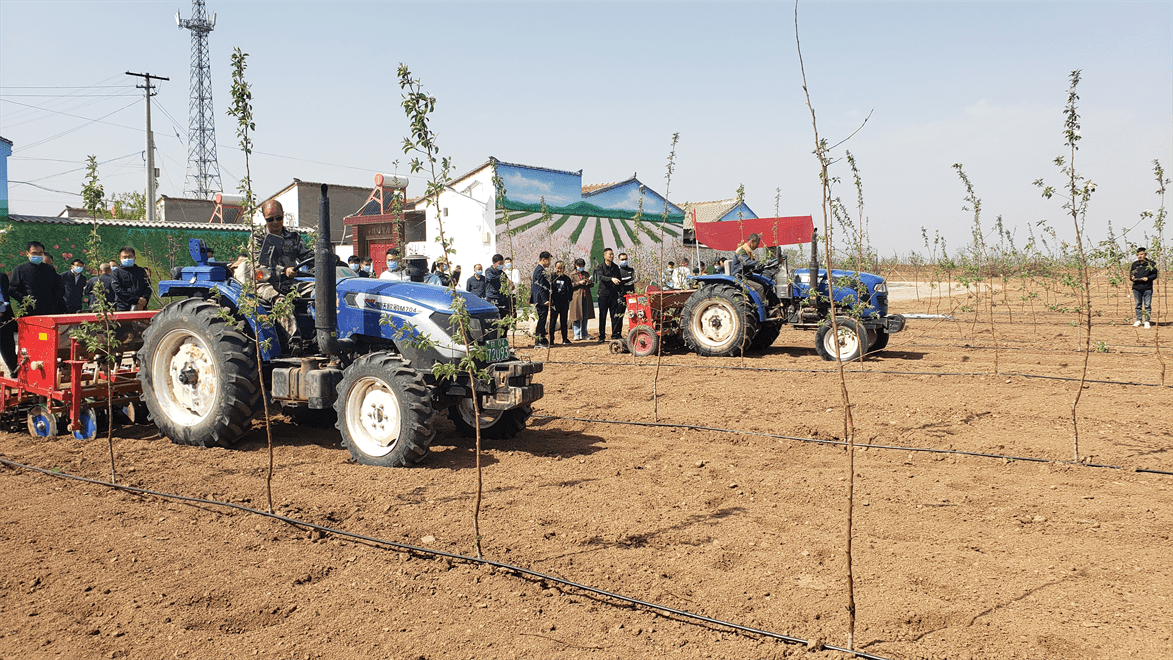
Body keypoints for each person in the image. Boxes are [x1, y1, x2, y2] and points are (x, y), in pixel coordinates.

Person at [249, 199, 314, 313]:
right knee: (283, 305)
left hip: (288, 283)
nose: (275, 222)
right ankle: (293, 331)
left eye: (278, 218)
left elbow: (307, 256)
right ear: (265, 218)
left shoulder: (292, 237)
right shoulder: (258, 238)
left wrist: (324, 259)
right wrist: (284, 270)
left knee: (320, 291)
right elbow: (259, 265)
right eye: (270, 219)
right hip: (265, 284)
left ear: (283, 215)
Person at [9, 241, 65, 316]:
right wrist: (26, 301)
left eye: (40, 253)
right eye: (34, 253)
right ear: (27, 254)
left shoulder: (50, 269)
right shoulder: (20, 270)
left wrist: (54, 301)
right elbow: (12, 289)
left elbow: (59, 287)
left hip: (50, 311)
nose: (37, 255)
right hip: (30, 311)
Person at [595, 247, 623, 341]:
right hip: (603, 294)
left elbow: (619, 279)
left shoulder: (615, 267)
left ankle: (615, 334)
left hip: (613, 294)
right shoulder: (600, 267)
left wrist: (620, 291)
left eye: (612, 254)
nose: (611, 256)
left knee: (614, 316)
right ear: (604, 255)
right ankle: (602, 336)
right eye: (609, 254)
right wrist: (611, 279)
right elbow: (601, 277)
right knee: (602, 315)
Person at [112, 246, 151, 311]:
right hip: (123, 308)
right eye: (124, 257)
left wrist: (143, 301)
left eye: (129, 257)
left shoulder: (141, 271)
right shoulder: (116, 273)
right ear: (120, 259)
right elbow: (118, 290)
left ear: (134, 258)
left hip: (141, 307)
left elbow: (148, 287)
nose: (127, 259)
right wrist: (136, 300)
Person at [731, 233, 766, 303]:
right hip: (740, 276)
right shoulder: (741, 250)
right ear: (752, 241)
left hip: (747, 275)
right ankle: (762, 307)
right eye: (757, 243)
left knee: (765, 283)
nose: (757, 246)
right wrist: (759, 262)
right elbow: (746, 262)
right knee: (759, 288)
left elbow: (753, 265)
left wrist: (764, 266)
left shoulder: (748, 252)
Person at [1130, 246, 1159, 328]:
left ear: (1145, 254)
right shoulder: (1135, 264)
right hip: (1137, 288)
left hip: (1147, 288)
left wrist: (1148, 278)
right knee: (1138, 305)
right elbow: (1131, 275)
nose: (1140, 256)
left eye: (1141, 254)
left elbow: (1155, 275)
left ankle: (1147, 321)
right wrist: (1132, 278)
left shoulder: (1151, 264)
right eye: (1138, 255)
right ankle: (1138, 320)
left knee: (1147, 305)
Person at [568, 257, 594, 341]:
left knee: (585, 316)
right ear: (575, 265)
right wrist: (578, 283)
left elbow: (591, 285)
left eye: (582, 265)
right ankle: (577, 334)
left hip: (585, 296)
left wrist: (589, 282)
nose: (581, 267)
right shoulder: (572, 274)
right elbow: (569, 285)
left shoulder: (586, 274)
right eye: (579, 265)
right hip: (575, 298)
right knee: (576, 316)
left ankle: (584, 334)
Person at [530, 251, 552, 348]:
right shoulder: (539, 270)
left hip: (540, 299)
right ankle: (538, 340)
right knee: (542, 319)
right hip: (540, 299)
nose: (550, 262)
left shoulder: (540, 269)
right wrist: (545, 300)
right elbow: (540, 286)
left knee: (543, 319)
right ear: (543, 259)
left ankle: (542, 338)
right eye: (549, 260)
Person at [549, 261, 573, 345]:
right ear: (555, 268)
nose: (559, 270)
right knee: (553, 322)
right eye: (558, 268)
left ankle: (565, 339)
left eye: (561, 268)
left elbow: (570, 290)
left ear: (564, 268)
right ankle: (551, 340)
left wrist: (569, 299)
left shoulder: (567, 279)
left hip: (564, 303)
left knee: (564, 321)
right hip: (554, 303)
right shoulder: (551, 278)